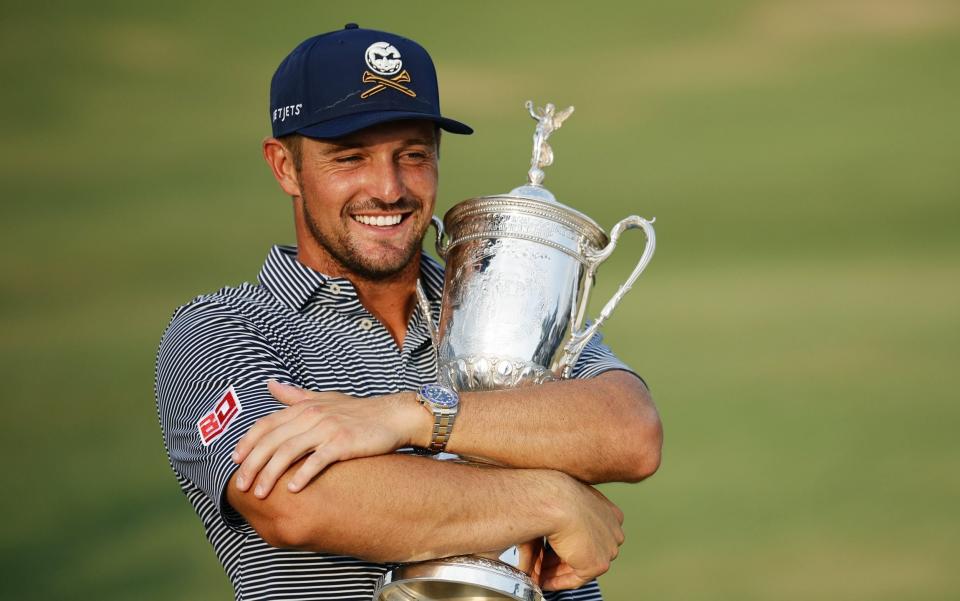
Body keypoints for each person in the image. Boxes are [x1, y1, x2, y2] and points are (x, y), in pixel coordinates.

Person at [155, 24, 662, 601]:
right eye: (350, 158)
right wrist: (554, 500)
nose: (389, 188)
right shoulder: (222, 329)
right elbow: (299, 501)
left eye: (413, 155)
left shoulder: (495, 296)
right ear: (285, 167)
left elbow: (630, 431)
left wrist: (409, 419)